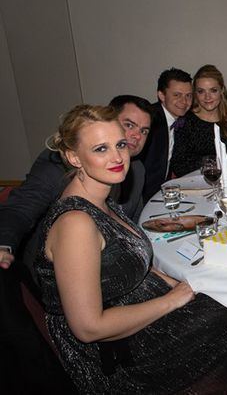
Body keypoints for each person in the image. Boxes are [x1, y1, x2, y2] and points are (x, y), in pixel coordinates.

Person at [34, 105, 227, 394]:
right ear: (74, 157)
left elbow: (131, 265)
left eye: (120, 144)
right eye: (101, 149)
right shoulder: (76, 223)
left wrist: (184, 286)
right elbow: (89, 328)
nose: (117, 157)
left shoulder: (103, 202)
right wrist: (172, 300)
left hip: (139, 321)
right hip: (118, 358)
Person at [0, 96, 152, 394]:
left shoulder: (130, 170)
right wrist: (3, 244)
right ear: (74, 157)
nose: (134, 137)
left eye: (143, 131)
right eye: (129, 125)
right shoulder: (59, 175)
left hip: (115, 286)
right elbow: (20, 207)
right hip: (68, 292)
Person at [169, 64, 227, 177]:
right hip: (194, 181)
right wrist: (213, 163)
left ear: (222, 90)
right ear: (195, 93)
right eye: (201, 91)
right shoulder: (185, 122)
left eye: (213, 90)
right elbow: (179, 165)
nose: (207, 97)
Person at [141, 67, 193, 202]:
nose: (184, 101)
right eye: (177, 95)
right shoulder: (150, 121)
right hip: (143, 199)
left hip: (163, 192)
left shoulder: (181, 120)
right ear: (162, 96)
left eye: (188, 95)